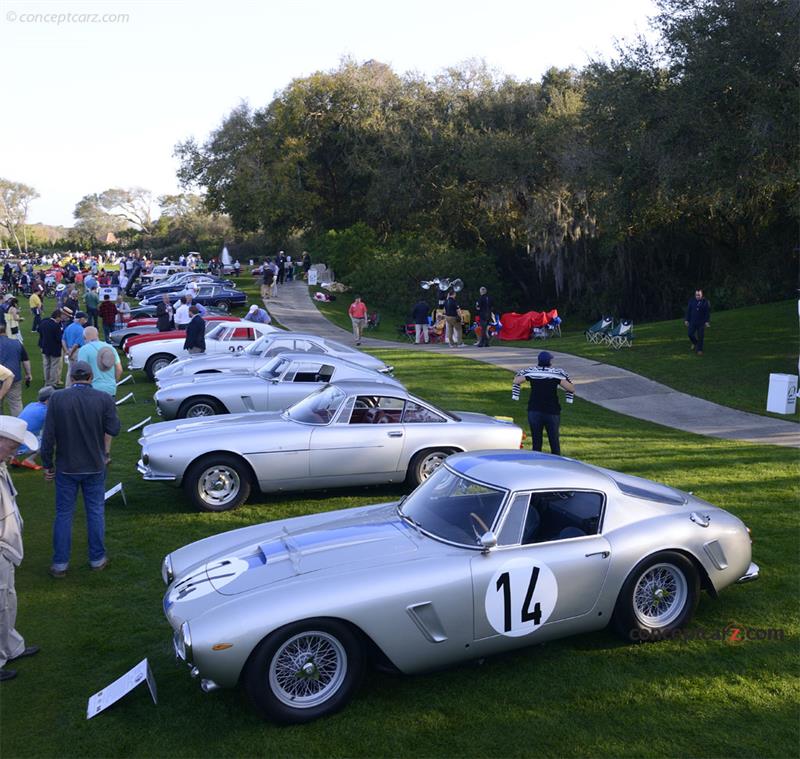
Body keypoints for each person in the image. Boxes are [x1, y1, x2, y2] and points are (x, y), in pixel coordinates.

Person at [41, 361, 121, 578]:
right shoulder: (103, 398)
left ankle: (60, 564)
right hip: (95, 465)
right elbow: (114, 428)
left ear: (71, 378)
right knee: (95, 512)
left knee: (64, 514)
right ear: (90, 377)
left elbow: (47, 436)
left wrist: (47, 464)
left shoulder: (57, 398)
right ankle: (97, 559)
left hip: (66, 467)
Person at [0, 416, 42, 681]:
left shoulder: (2, 465)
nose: (15, 452)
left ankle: (11, 647)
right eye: (12, 446)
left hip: (7, 546)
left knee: (8, 599)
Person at [512, 351, 575, 456]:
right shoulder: (555, 374)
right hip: (552, 411)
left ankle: (537, 464)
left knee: (536, 442)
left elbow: (516, 381)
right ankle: (557, 464)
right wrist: (560, 379)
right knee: (554, 441)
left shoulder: (532, 373)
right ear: (550, 362)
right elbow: (571, 389)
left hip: (534, 410)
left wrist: (529, 375)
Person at [11, 385, 54, 470]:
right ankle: (29, 460)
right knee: (49, 438)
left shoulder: (31, 404)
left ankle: (14, 459)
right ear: (48, 400)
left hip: (12, 442)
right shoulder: (46, 412)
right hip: (21, 444)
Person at [78, 327, 122, 397]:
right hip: (110, 389)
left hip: (93, 390)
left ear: (84, 337)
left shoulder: (84, 350)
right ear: (97, 335)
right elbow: (119, 369)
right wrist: (114, 382)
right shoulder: (111, 348)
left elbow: (81, 371)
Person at [0, 333, 32, 417]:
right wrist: (28, 374)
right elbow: (25, 360)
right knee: (16, 404)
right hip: (15, 378)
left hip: (2, 377)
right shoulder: (17, 343)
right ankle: (18, 426)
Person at [38, 309, 64, 387]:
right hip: (54, 348)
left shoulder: (44, 323)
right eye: (60, 318)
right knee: (54, 366)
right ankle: (52, 383)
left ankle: (47, 381)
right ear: (57, 317)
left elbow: (39, 331)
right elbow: (59, 339)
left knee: (46, 365)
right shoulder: (56, 326)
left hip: (45, 347)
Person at [61, 312, 88, 387]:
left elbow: (63, 340)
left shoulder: (69, 327)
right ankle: (75, 387)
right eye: (85, 319)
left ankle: (68, 387)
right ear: (81, 319)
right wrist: (71, 353)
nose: (86, 321)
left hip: (69, 349)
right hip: (76, 351)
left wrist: (66, 351)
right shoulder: (81, 329)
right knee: (78, 371)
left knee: (70, 370)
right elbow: (77, 344)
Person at [685, 289, 711, 356]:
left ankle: (700, 350)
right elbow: (688, 311)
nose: (697, 296)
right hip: (692, 322)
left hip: (701, 323)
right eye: (696, 295)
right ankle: (695, 343)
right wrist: (686, 320)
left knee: (701, 336)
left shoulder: (705, 302)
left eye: (699, 295)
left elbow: (707, 313)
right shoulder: (691, 301)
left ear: (702, 295)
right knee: (690, 334)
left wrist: (707, 322)